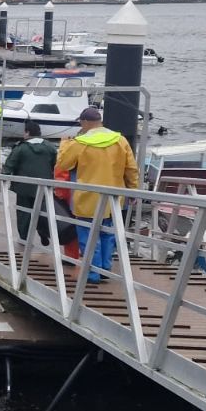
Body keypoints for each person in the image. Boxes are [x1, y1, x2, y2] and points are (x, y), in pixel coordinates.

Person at [54, 107, 140, 283]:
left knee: (88, 235)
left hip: (87, 197)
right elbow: (131, 169)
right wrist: (133, 189)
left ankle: (92, 273)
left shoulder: (80, 142)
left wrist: (64, 144)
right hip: (113, 198)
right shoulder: (120, 140)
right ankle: (105, 269)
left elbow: (63, 164)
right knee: (108, 233)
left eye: (81, 123)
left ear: (85, 122)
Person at [4, 120, 60, 245]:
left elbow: (9, 165)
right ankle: (43, 232)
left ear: (27, 132)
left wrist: (4, 178)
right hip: (44, 187)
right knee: (42, 212)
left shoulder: (21, 148)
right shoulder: (50, 147)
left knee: (24, 213)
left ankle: (24, 238)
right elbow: (56, 166)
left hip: (24, 187)